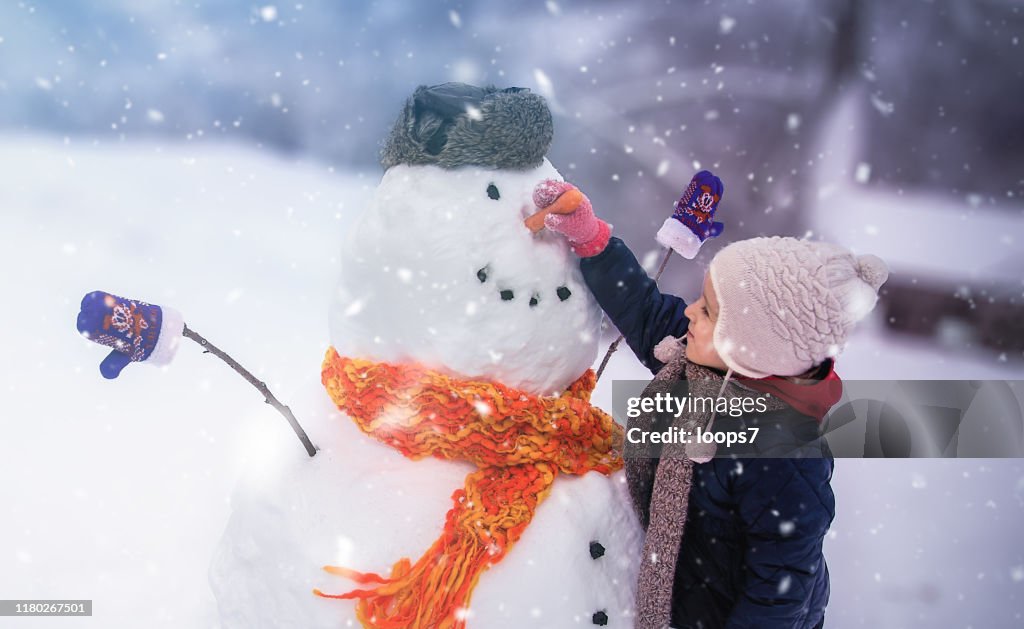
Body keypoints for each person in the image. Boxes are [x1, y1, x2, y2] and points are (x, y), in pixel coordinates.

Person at [536, 173, 889, 629]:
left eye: (706, 311)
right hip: (682, 592)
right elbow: (643, 311)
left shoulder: (784, 456)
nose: (688, 313)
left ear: (752, 350)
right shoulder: (701, 360)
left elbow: (781, 590)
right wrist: (594, 240)